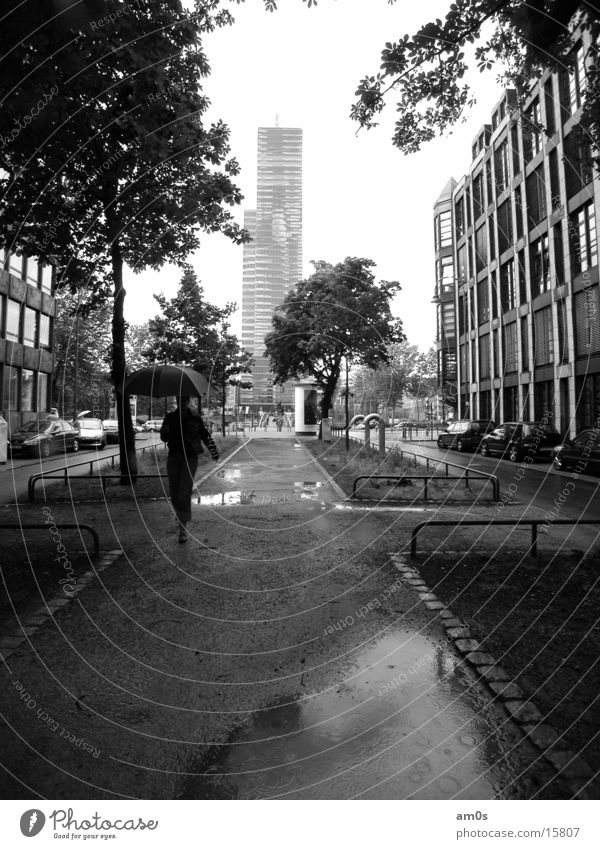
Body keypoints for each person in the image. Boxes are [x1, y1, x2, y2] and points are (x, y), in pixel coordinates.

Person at [160, 396, 219, 543]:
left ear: (188, 402)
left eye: (185, 400)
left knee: (183, 492)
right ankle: (181, 515)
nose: (182, 402)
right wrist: (166, 430)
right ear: (177, 401)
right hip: (174, 456)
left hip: (190, 457)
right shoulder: (170, 417)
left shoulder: (195, 418)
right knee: (174, 492)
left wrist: (213, 450)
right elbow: (163, 437)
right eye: (180, 400)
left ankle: (182, 529)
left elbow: (204, 435)